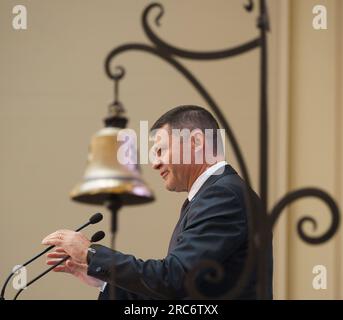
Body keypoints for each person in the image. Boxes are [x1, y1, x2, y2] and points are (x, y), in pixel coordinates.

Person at [43, 105, 273, 299]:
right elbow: (179, 288)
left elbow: (174, 277)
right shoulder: (212, 194)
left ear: (196, 142)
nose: (154, 163)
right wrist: (104, 281)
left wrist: (92, 254)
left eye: (161, 150)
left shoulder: (223, 195)